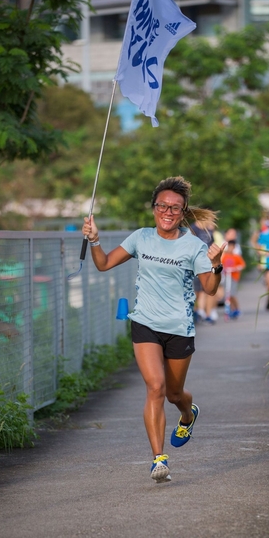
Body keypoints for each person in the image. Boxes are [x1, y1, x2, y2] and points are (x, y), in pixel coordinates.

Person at [82, 176, 226, 483]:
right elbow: (104, 264)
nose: (168, 211)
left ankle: (188, 414)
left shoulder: (194, 246)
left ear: (184, 212)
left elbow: (211, 290)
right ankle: (159, 459)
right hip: (145, 322)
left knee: (174, 393)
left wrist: (217, 264)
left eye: (175, 207)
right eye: (163, 205)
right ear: (154, 208)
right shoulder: (141, 238)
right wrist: (94, 240)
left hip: (179, 328)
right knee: (156, 388)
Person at [221, 240, 246, 318]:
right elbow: (221, 264)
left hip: (234, 277)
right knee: (228, 294)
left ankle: (237, 309)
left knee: (232, 294)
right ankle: (231, 309)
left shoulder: (236, 256)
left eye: (232, 247)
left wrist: (236, 268)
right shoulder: (224, 256)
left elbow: (242, 265)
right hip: (226, 277)